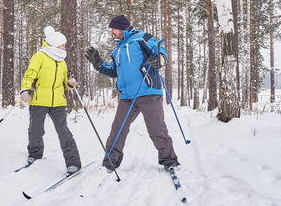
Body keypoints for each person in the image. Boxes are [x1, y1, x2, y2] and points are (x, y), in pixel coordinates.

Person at [85, 14, 179, 172]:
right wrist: (98, 64)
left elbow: (160, 50)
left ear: (121, 27)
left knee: (156, 129)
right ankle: (110, 162)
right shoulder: (117, 50)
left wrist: (161, 58)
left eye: (113, 29)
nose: (111, 32)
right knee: (118, 129)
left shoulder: (141, 38)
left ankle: (169, 160)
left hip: (148, 91)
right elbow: (114, 71)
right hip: (127, 97)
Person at [20, 26, 82, 176]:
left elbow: (64, 83)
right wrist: (25, 89)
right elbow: (30, 75)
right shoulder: (39, 57)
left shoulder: (62, 62)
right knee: (36, 130)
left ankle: (73, 162)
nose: (64, 47)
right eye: (62, 44)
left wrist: (70, 83)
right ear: (54, 44)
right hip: (39, 100)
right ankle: (34, 155)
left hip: (58, 103)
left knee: (64, 132)